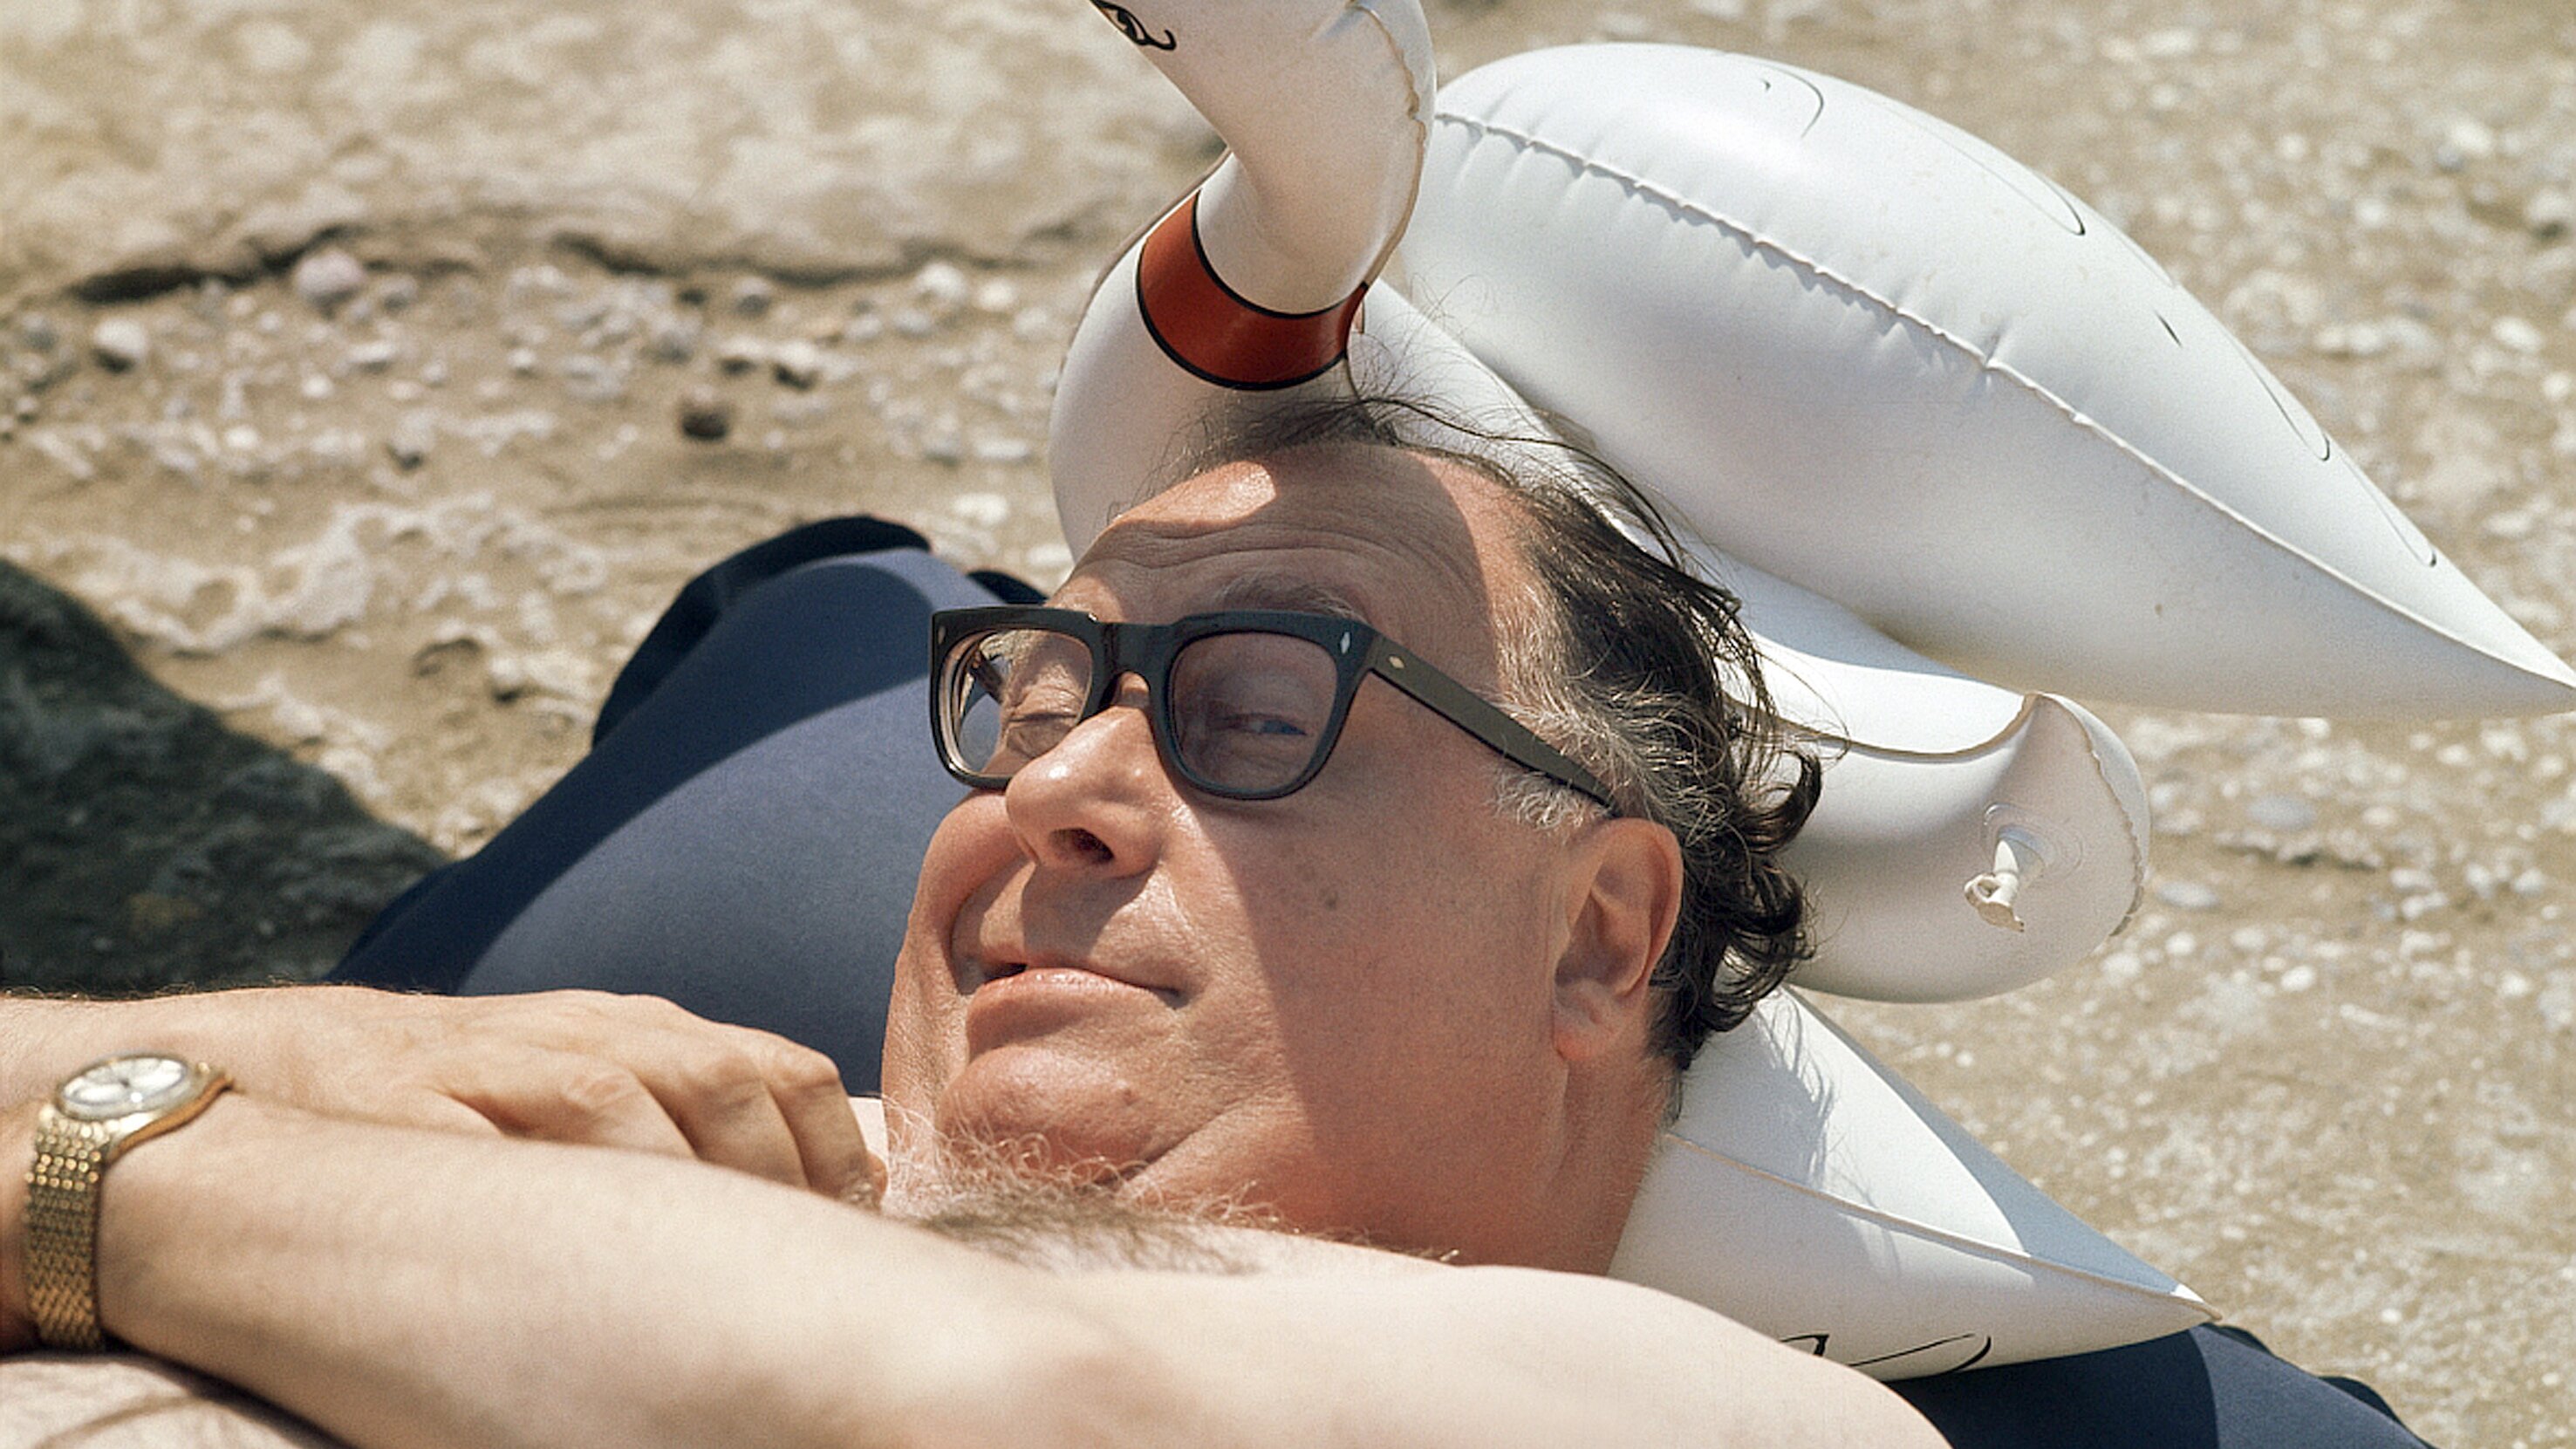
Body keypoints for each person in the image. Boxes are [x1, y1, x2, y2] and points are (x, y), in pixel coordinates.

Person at [0, 406, 2435, 1448]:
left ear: (1600, 942)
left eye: (1259, 707)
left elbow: (977, 1409)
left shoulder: (1695, 1410)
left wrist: (111, 1154)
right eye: (1034, 696)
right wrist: (311, 1049)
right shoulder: (584, 1119)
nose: (1054, 784)